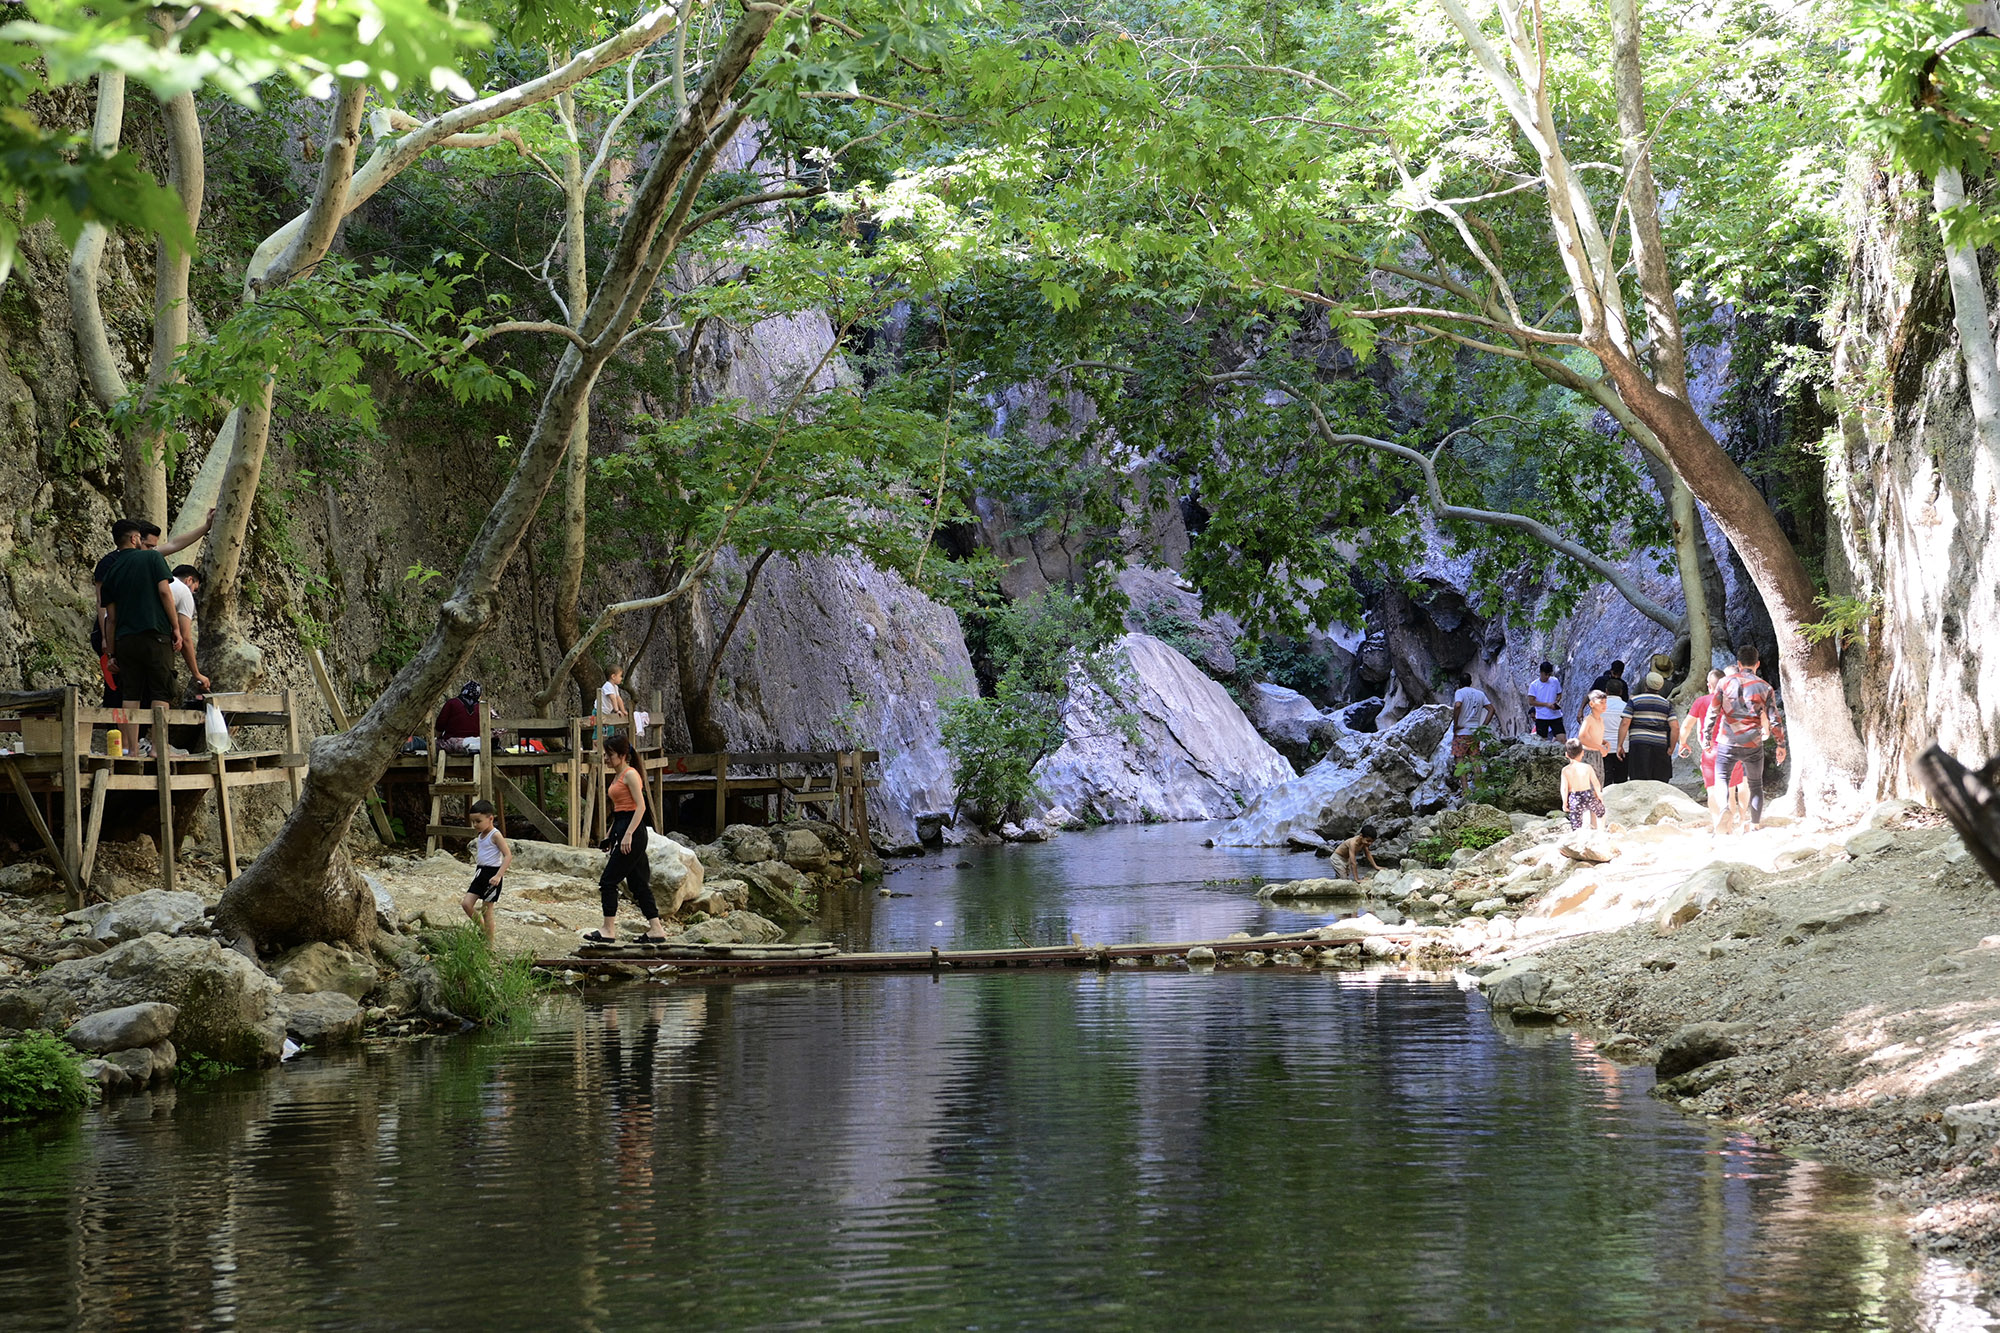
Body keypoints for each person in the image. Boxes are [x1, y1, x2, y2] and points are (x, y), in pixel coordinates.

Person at [98, 526, 183, 756]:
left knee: (130, 695)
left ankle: (132, 749)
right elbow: (165, 593)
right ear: (135, 538)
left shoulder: (110, 571)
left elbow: (111, 619)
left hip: (125, 641)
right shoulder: (152, 558)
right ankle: (157, 747)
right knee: (161, 691)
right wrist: (175, 627)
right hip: (155, 635)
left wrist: (112, 654)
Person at [584, 736, 669, 944]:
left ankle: (608, 930)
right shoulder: (617, 775)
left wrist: (628, 834)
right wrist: (609, 835)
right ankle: (656, 929)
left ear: (622, 756)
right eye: (605, 754)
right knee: (639, 884)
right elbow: (620, 811)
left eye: (609, 754)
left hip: (633, 832)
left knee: (608, 881)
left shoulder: (630, 775)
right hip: (623, 827)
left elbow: (640, 807)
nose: (605, 758)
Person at [1700, 645, 1788, 831]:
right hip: (1753, 743)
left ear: (1739, 664)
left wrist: (1706, 736)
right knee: (1756, 784)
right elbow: (1774, 719)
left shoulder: (1724, 683)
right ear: (1757, 663)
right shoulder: (1765, 687)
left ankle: (1724, 808)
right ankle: (1755, 824)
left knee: (1722, 778)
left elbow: (1712, 712)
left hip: (1727, 741)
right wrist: (1781, 744)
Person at [461, 799, 511, 947]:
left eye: (478, 821)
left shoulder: (495, 835)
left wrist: (498, 875)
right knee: (466, 904)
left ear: (490, 819)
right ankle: (483, 930)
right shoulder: (481, 835)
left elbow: (508, 855)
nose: (475, 825)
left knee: (486, 910)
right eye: (473, 822)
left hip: (492, 873)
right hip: (480, 872)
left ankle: (489, 944)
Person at [1624, 672, 1676, 782]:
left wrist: (1620, 744)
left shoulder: (1634, 701)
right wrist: (1672, 747)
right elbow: (1675, 727)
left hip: (1638, 743)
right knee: (1659, 780)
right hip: (1660, 745)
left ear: (1645, 685)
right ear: (1660, 687)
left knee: (1639, 780)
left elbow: (1625, 723)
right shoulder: (1667, 704)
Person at [168, 565, 209, 697]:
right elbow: (186, 638)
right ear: (189, 580)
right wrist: (196, 674)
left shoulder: (160, 583)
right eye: (195, 589)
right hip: (156, 643)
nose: (193, 593)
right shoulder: (184, 591)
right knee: (162, 692)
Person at [1450, 672, 1491, 783]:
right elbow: (1492, 710)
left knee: (1460, 760)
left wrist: (1456, 724)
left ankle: (1465, 791)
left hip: (1461, 732)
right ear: (1471, 682)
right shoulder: (1480, 694)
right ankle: (1479, 788)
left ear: (1459, 683)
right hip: (1474, 732)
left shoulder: (1459, 692)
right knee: (1475, 760)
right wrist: (1482, 727)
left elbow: (1458, 705)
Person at [1560, 737, 1606, 833]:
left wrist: (1565, 803)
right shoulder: (1587, 767)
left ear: (1566, 755)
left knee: (1576, 821)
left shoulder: (1565, 770)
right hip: (1588, 795)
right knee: (1601, 812)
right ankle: (1600, 830)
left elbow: (1564, 788)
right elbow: (1596, 784)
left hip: (1574, 797)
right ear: (1583, 753)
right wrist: (1599, 796)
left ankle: (1577, 835)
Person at [436, 681, 483, 755]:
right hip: (479, 743)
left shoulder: (452, 703)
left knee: (434, 744)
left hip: (456, 743)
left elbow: (440, 724)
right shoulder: (483, 707)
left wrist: (439, 736)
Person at [1576, 690, 1609, 787]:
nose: (1604, 705)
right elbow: (1582, 738)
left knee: (1599, 783)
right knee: (1589, 785)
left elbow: (1594, 736)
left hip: (1597, 754)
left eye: (1605, 702)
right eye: (1601, 703)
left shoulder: (1601, 719)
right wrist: (1599, 747)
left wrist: (1604, 743)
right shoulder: (1588, 719)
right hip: (1588, 755)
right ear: (1591, 704)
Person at [1599, 688, 1630, 785]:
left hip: (1603, 748)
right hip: (1623, 748)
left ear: (1606, 691)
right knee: (1621, 781)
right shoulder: (1626, 706)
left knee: (1605, 781)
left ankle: (1606, 799)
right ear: (1621, 692)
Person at [1526, 662, 1564, 739]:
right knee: (1542, 741)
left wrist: (1556, 701)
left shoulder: (1555, 681)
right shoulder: (1534, 685)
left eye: (1549, 675)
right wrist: (1547, 704)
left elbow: (1559, 694)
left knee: (1562, 739)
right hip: (1541, 717)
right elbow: (1531, 701)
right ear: (1541, 672)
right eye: (1545, 674)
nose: (1547, 677)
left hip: (1555, 715)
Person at [598, 667, 630, 735]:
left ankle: (609, 742)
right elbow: (613, 698)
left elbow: (618, 699)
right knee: (600, 730)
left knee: (610, 729)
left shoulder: (615, 687)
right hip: (599, 711)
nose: (621, 678)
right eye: (620, 676)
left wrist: (623, 710)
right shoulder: (608, 686)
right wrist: (617, 710)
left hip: (607, 712)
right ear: (613, 676)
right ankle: (596, 742)